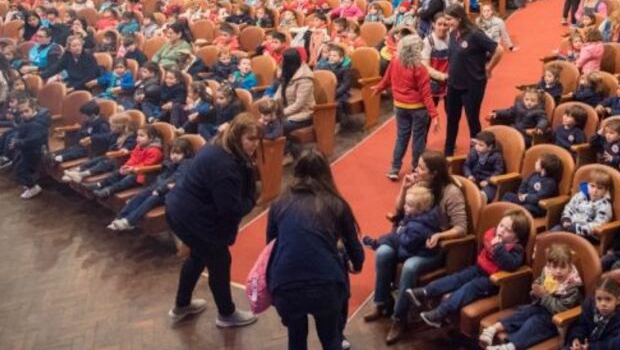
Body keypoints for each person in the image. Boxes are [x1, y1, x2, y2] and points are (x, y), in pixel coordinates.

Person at [166, 113, 260, 328]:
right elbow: (230, 209)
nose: (255, 144)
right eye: (250, 139)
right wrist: (251, 200)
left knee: (199, 257)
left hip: (181, 209)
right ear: (236, 137)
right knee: (219, 260)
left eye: (257, 139)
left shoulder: (219, 145)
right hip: (191, 216)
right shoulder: (225, 166)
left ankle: (182, 306)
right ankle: (226, 314)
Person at [365, 151, 468, 344]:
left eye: (421, 168)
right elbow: (398, 210)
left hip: (430, 248)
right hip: (407, 238)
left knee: (410, 267)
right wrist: (404, 188)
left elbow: (461, 228)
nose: (416, 170)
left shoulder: (451, 193)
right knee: (383, 252)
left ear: (434, 173)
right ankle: (382, 303)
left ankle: (399, 318)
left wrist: (440, 235)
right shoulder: (420, 184)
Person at [267, 151, 364, 350]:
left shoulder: (279, 204)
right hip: (325, 283)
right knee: (330, 339)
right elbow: (355, 249)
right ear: (326, 173)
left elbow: (270, 245)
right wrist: (356, 264)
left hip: (285, 284)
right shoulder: (337, 203)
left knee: (296, 338)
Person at [373, 34, 438, 181]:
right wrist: (434, 115)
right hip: (418, 108)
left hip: (400, 106)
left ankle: (394, 168)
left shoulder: (395, 61)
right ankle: (416, 167)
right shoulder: (420, 68)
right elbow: (426, 94)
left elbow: (387, 79)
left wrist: (379, 88)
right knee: (418, 139)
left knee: (401, 137)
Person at [442, 4, 502, 157]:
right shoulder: (453, 33)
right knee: (452, 120)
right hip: (454, 84)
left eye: (450, 19)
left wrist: (489, 68)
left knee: (472, 120)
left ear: (459, 18)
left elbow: (499, 50)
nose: (447, 22)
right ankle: (448, 153)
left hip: (472, 85)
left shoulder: (475, 34)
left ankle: (476, 154)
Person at [273, 48, 314, 160]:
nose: (281, 61)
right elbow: (279, 92)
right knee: (267, 120)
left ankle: (287, 154)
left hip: (303, 114)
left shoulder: (305, 78)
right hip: (288, 111)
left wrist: (280, 113)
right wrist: (271, 105)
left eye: (283, 59)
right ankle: (274, 151)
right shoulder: (288, 72)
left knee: (280, 125)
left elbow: (299, 105)